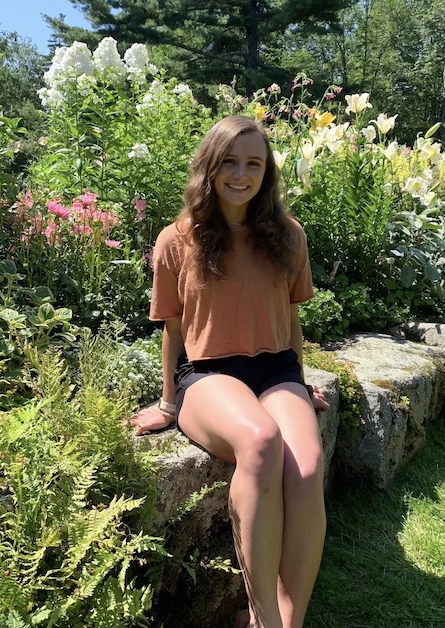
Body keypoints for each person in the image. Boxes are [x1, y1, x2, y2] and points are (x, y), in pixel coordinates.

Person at [131, 115, 329, 628]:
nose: (241, 174)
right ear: (210, 167)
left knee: (305, 469)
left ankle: (292, 620)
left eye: (254, 163)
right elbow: (173, 330)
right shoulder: (177, 240)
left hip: (276, 370)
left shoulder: (288, 236)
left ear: (267, 173)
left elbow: (290, 318)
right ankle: (261, 618)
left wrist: (301, 384)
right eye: (230, 162)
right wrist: (168, 402)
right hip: (209, 376)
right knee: (262, 442)